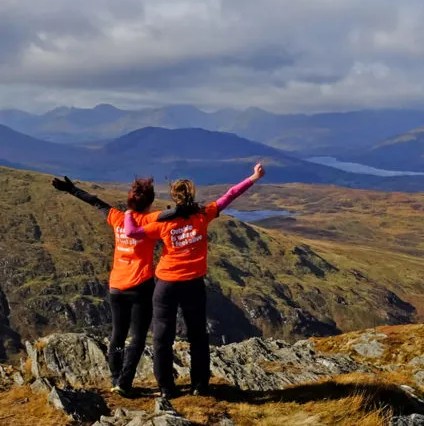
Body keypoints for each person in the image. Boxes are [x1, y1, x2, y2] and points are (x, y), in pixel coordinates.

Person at [131, 162, 265, 398]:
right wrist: (253, 177)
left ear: (174, 197)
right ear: (192, 195)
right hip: (193, 284)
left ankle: (166, 388)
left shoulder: (163, 222)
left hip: (166, 284)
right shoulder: (203, 215)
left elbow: (132, 232)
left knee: (162, 337)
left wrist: (130, 212)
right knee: (198, 335)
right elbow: (230, 195)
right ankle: (200, 386)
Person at [51, 175, 176, 397]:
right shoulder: (151, 222)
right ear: (149, 202)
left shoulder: (118, 218)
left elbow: (95, 202)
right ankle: (125, 382)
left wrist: (71, 189)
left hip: (116, 287)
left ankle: (114, 377)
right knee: (137, 337)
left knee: (117, 335)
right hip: (140, 288)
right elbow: (173, 216)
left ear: (129, 202)